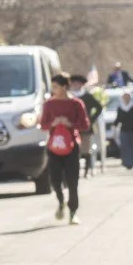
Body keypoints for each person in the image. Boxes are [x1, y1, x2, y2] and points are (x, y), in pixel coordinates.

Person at [39, 73, 90, 224]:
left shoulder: (76, 104)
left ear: (64, 87)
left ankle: (73, 211)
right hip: (54, 146)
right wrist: (53, 124)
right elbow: (43, 125)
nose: (53, 89)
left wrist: (70, 124)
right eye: (52, 86)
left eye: (56, 86)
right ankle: (61, 202)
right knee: (55, 179)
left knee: (72, 180)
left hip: (72, 145)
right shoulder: (49, 104)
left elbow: (85, 125)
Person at [69, 74, 102, 178]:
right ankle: (74, 171)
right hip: (71, 127)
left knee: (85, 150)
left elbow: (98, 107)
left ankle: (87, 171)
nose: (75, 85)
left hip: (85, 127)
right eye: (73, 83)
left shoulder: (87, 96)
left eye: (77, 83)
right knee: (74, 151)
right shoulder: (69, 97)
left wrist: (91, 119)